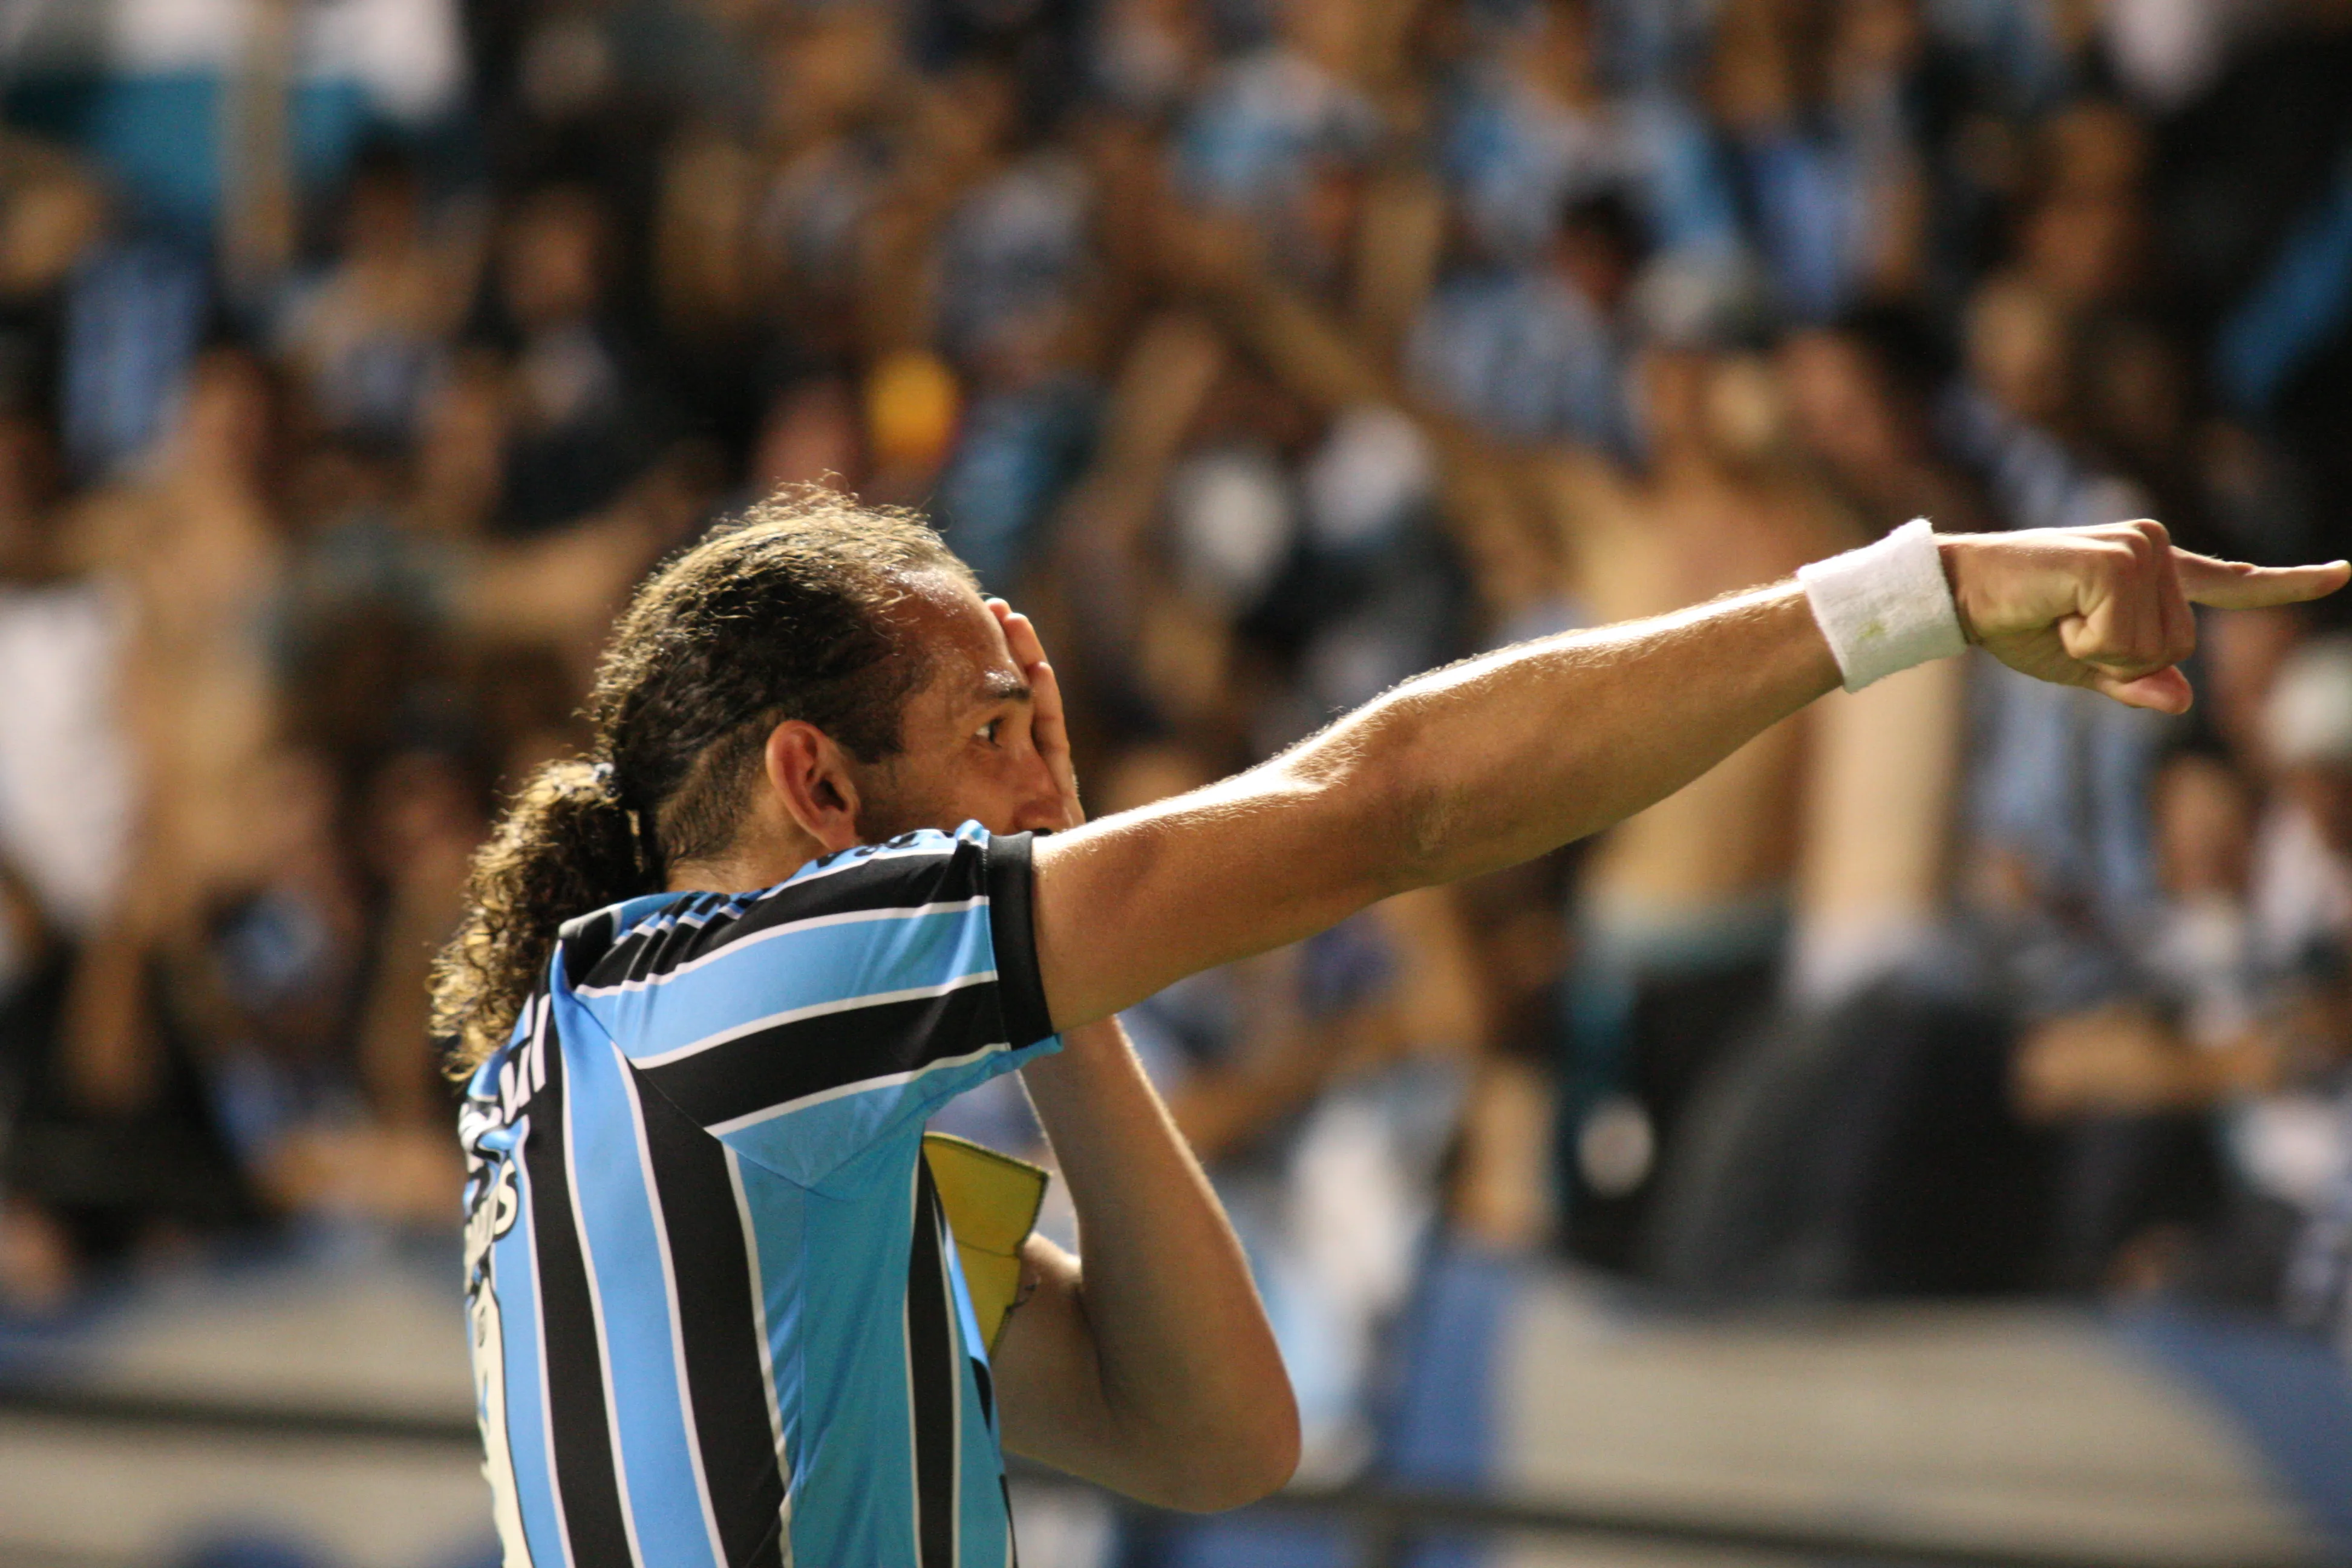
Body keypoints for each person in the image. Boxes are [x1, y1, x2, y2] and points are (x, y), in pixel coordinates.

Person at [430, 486, 2342, 1568]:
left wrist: (1057, 983)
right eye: (998, 729)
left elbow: (1218, 1440)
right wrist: (1914, 595)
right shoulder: (727, 1010)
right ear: (819, 790)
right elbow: (1390, 809)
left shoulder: (771, 1131)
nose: (1049, 784)